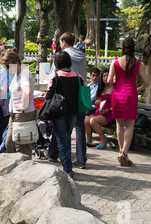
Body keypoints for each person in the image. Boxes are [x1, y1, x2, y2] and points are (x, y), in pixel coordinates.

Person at [45, 32, 88, 169]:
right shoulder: (82, 57)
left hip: (61, 104)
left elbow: (51, 83)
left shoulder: (60, 57)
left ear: (63, 42)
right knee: (78, 130)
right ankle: (81, 160)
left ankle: (65, 165)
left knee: (63, 135)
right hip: (77, 102)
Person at [107, 37, 150, 166]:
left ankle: (121, 151)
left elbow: (109, 81)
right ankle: (124, 153)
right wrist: (138, 88)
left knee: (119, 124)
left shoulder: (115, 62)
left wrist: (116, 82)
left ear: (122, 47)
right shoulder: (137, 63)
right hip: (131, 93)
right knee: (130, 125)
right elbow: (147, 82)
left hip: (117, 94)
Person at [45, 51, 82, 178]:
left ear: (57, 63)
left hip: (59, 112)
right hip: (73, 112)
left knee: (63, 140)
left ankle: (68, 169)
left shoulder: (55, 76)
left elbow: (48, 95)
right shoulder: (78, 76)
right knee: (66, 137)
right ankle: (66, 166)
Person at [1, 49, 36, 159]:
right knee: (9, 143)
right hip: (14, 115)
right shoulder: (18, 73)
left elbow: (27, 91)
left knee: (23, 147)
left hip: (23, 114)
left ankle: (24, 170)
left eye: (7, 66)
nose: (6, 70)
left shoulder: (24, 74)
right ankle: (16, 166)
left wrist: (23, 106)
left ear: (15, 63)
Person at [85, 70, 115, 149]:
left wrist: (108, 110)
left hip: (109, 113)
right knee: (86, 120)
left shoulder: (114, 88)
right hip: (100, 111)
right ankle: (88, 138)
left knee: (93, 121)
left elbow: (117, 105)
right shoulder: (101, 88)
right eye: (104, 76)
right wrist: (97, 102)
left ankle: (103, 139)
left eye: (107, 75)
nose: (105, 78)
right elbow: (96, 102)